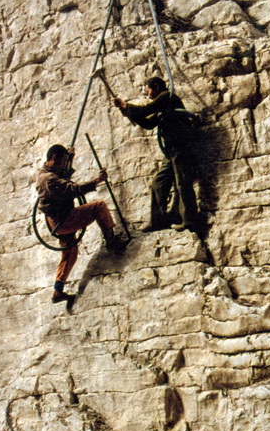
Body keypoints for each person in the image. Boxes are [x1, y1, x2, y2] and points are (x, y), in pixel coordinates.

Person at [36, 144, 126, 304]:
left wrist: (70, 158)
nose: (65, 164)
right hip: (63, 221)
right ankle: (112, 241)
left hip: (56, 221)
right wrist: (97, 181)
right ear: (54, 159)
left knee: (70, 253)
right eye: (63, 161)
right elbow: (72, 189)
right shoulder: (48, 179)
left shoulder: (45, 172)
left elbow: (62, 174)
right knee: (99, 207)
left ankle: (58, 290)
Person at [113, 76, 199, 232]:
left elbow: (145, 110)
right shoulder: (162, 108)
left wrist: (126, 105)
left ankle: (189, 221)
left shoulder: (166, 97)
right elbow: (147, 123)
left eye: (148, 89)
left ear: (157, 87)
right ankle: (158, 221)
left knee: (183, 183)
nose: (147, 94)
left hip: (181, 147)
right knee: (158, 184)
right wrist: (126, 111)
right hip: (171, 151)